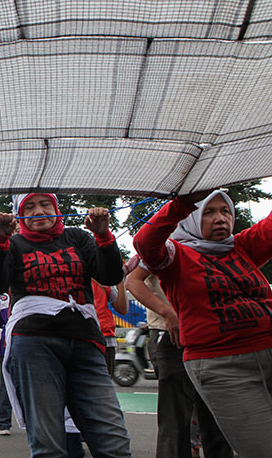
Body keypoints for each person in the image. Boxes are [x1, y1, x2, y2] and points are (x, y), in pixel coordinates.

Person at [0, 193, 131, 457]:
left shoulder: (78, 238)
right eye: (29, 207)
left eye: (45, 205)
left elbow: (109, 276)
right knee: (48, 442)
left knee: (113, 440)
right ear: (19, 215)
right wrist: (0, 241)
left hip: (86, 343)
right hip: (34, 343)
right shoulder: (14, 244)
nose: (38, 211)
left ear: (57, 209)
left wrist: (103, 236)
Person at [133, 189, 272, 457]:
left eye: (225, 211)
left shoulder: (241, 247)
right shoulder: (175, 257)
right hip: (223, 368)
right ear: (190, 218)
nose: (220, 218)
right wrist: (184, 201)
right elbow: (145, 242)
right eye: (208, 212)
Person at [124, 256, 232, 458]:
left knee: (217, 418)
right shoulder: (161, 245)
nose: (220, 221)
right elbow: (132, 281)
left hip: (210, 338)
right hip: (172, 336)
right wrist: (168, 313)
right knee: (175, 420)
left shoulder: (213, 248)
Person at [92, 279, 128, 376]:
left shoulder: (102, 279)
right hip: (85, 339)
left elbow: (122, 308)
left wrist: (119, 279)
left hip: (105, 339)